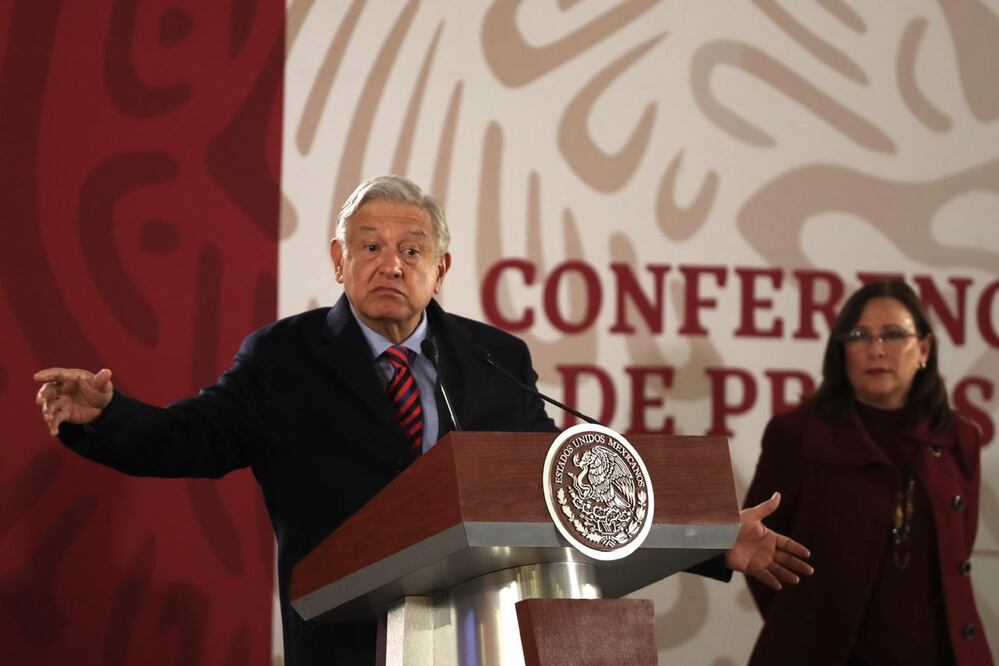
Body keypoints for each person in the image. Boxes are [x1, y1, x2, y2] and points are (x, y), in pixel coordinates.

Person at [36, 175, 810, 665]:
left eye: (412, 248)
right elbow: (191, 440)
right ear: (337, 261)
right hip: (348, 643)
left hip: (490, 636)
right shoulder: (284, 358)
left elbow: (563, 493)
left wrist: (711, 541)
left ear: (442, 268)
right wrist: (105, 415)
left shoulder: (493, 358)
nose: (390, 263)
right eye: (369, 246)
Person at [743, 280, 993, 666]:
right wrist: (805, 632)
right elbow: (758, 552)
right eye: (860, 335)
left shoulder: (960, 438)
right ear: (841, 351)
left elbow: (955, 555)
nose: (876, 348)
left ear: (923, 348)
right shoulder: (796, 435)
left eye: (893, 334)